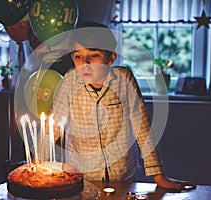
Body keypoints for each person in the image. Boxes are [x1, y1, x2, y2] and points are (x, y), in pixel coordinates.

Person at [49, 21, 196, 190]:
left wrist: (159, 176)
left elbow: (143, 129)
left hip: (123, 177)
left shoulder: (124, 80)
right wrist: (36, 166)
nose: (85, 64)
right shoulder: (69, 82)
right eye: (78, 56)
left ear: (111, 58)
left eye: (94, 56)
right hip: (84, 179)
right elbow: (51, 128)